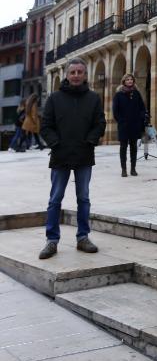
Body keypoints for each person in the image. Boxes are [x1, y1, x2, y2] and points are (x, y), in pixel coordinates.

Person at [38, 58, 107, 259]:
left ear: (85, 75)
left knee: (83, 198)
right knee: (55, 199)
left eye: (80, 72)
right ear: (67, 75)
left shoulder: (93, 98)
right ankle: (51, 240)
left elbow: (99, 123)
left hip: (84, 155)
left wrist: (90, 141)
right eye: (73, 72)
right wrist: (56, 144)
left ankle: (83, 237)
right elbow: (46, 126)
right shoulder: (54, 98)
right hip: (60, 155)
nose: (76, 75)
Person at [112, 73, 147, 177]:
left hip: (135, 125)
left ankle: (133, 169)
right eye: (127, 79)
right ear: (124, 81)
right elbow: (115, 110)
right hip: (123, 125)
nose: (129, 81)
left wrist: (140, 118)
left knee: (133, 147)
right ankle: (124, 169)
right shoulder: (119, 94)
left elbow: (142, 108)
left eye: (131, 79)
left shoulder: (136, 93)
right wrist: (121, 121)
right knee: (123, 147)